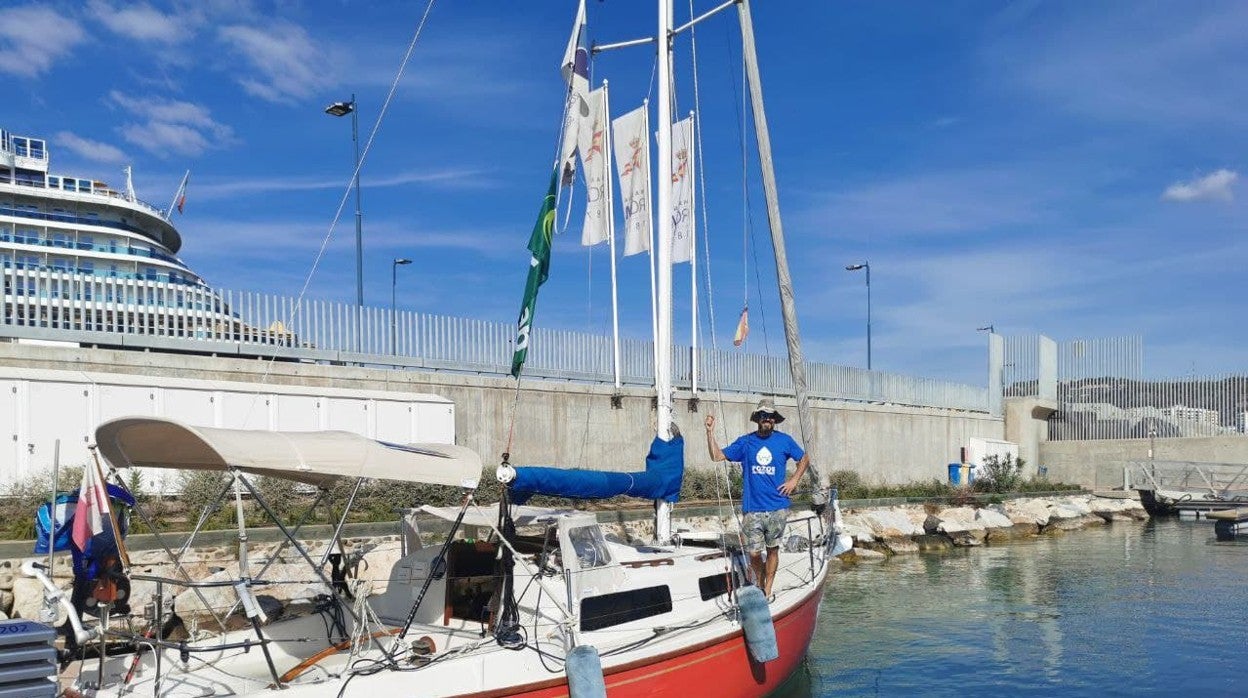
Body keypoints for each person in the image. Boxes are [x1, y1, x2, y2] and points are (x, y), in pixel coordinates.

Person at [704, 398, 809, 598]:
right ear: (757, 419)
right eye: (763, 416)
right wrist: (709, 432)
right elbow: (716, 456)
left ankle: (767, 587)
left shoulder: (784, 441)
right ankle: (760, 582)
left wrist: (794, 480)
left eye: (770, 416)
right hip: (752, 509)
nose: (766, 419)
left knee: (772, 550)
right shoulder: (746, 442)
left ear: (774, 420)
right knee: (753, 553)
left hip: (777, 507)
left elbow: (804, 458)